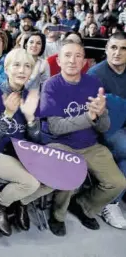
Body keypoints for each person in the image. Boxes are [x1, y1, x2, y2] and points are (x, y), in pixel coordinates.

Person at [28, 40, 126, 237]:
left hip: (90, 144)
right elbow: (56, 127)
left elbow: (103, 126)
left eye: (78, 56)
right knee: (71, 173)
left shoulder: (94, 83)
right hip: (59, 143)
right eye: (67, 55)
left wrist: (101, 115)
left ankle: (83, 205)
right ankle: (58, 215)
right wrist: (89, 117)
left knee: (118, 183)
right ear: (59, 60)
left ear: (84, 63)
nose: (72, 60)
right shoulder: (51, 86)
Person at [0, 48, 46, 236]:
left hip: (20, 152)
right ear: (6, 69)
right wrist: (7, 114)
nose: (22, 70)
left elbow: (37, 140)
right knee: (31, 183)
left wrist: (31, 119)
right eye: (16, 65)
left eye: (27, 66)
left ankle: (21, 201)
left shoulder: (31, 98)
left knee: (55, 179)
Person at [88, 32, 126, 229]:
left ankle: (113, 199)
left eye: (123, 48)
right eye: (113, 47)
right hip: (103, 130)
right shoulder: (96, 75)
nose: (117, 53)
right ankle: (110, 204)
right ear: (106, 50)